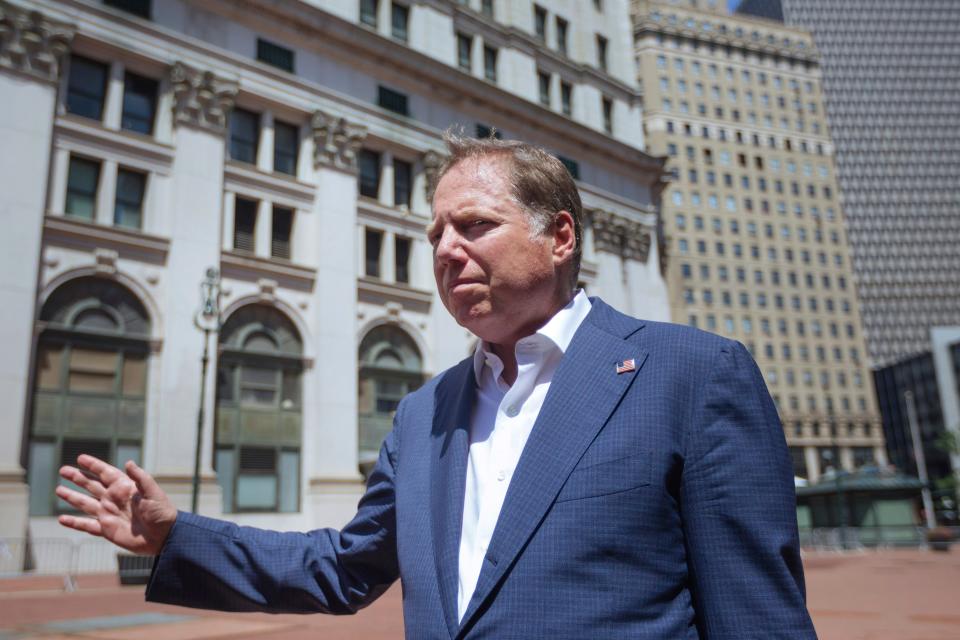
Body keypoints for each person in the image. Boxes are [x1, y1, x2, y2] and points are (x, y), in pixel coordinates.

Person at [57, 134, 817, 638]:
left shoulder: (690, 374)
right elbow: (345, 568)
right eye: (434, 236)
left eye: (474, 226)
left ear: (559, 237)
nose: (445, 250)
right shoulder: (423, 413)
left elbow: (757, 619)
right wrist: (176, 537)